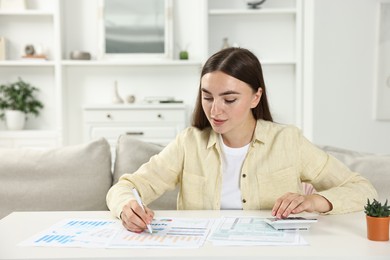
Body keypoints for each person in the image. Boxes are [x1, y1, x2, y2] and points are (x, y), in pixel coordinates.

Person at [106, 47, 378, 233]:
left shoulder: (288, 141)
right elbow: (126, 186)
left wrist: (315, 202)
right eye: (207, 96)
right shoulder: (189, 143)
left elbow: (362, 189)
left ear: (255, 97)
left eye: (229, 99)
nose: (215, 110)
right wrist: (126, 207)